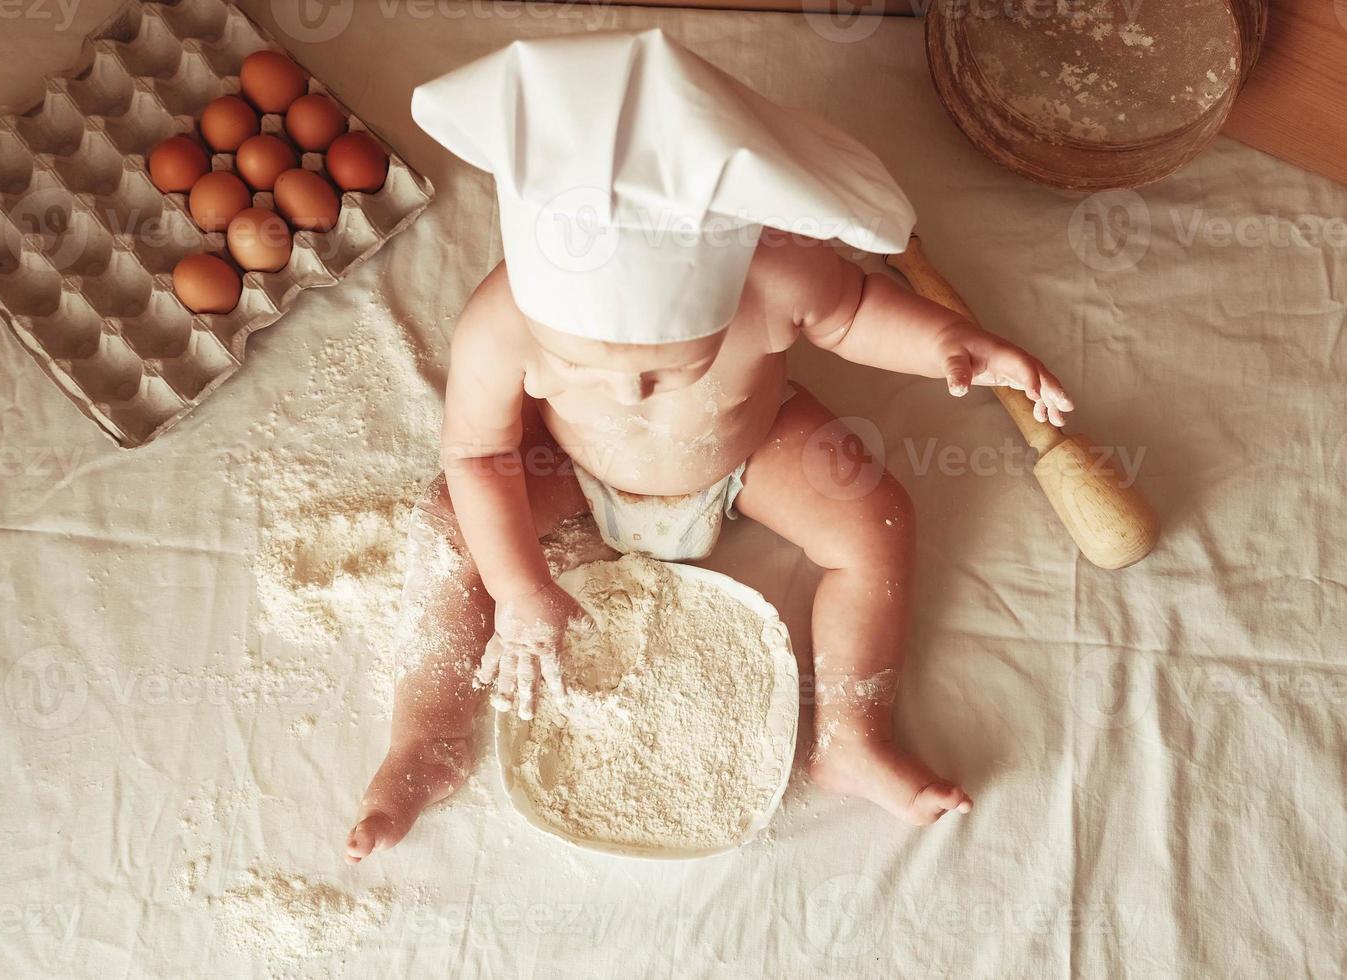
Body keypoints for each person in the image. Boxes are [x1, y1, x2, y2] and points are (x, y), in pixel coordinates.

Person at [347, 30, 1072, 863]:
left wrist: (955, 346)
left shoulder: (772, 274)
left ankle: (852, 736)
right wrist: (517, 587)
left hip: (746, 454)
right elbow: (477, 454)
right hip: (573, 472)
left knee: (875, 522)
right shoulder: (502, 318)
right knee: (447, 527)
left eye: (667, 368)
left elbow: (857, 314)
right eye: (580, 364)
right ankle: (424, 742)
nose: (626, 396)